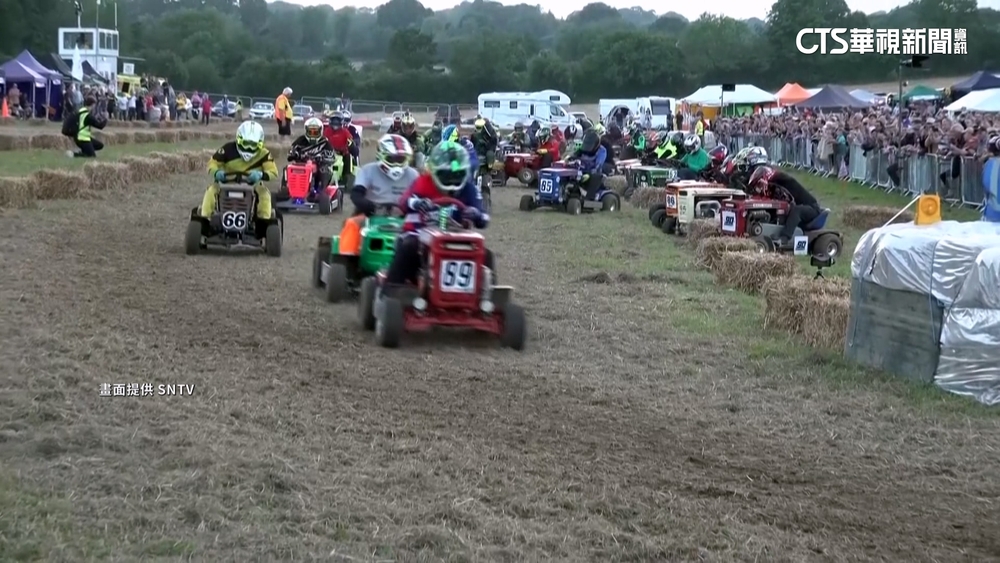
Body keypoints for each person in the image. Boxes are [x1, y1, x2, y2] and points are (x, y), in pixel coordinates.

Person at [384, 140, 491, 287]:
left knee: (486, 254)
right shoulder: (423, 183)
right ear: (435, 172)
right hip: (419, 235)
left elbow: (484, 218)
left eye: (457, 174)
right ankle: (392, 289)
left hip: (456, 237)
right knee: (408, 247)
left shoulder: (469, 189)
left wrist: (476, 213)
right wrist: (417, 203)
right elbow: (403, 202)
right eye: (446, 175)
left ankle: (485, 291)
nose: (452, 180)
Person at [337, 134, 421, 255]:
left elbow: (420, 197)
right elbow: (356, 195)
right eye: (391, 159)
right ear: (381, 156)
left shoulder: (413, 174)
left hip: (404, 216)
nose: (396, 164)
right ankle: (346, 257)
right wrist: (372, 207)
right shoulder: (367, 170)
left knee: (425, 232)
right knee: (352, 224)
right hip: (370, 214)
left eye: (400, 160)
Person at [201, 121, 278, 222]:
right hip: (226, 182)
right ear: (239, 139)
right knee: (211, 191)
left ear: (260, 143)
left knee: (265, 194)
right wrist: (216, 172)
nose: (249, 148)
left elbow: (273, 172)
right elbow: (212, 163)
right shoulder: (227, 149)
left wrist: (260, 175)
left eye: (253, 145)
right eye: (246, 144)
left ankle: (263, 222)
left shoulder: (264, 154)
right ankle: (206, 219)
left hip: (253, 185)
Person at [748, 165, 822, 248]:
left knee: (796, 210)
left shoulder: (783, 180)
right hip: (804, 206)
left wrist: (766, 180)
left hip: (813, 208)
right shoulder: (776, 184)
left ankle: (784, 238)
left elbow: (782, 180)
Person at [287, 117, 336, 195]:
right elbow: (291, 151)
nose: (313, 134)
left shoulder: (325, 142)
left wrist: (323, 159)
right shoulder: (301, 140)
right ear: (306, 130)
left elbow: (332, 157)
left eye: (315, 132)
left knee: (324, 170)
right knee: (287, 169)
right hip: (301, 165)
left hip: (318, 166)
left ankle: (320, 191)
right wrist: (294, 154)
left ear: (320, 131)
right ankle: (287, 188)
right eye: (310, 131)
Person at [566, 129, 607, 201]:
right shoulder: (582, 148)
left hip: (592, 172)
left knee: (595, 176)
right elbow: (573, 156)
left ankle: (589, 198)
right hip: (580, 170)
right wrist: (569, 159)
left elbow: (598, 165)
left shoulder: (602, 151)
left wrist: (590, 172)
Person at [323, 112, 357, 187]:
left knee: (348, 157)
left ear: (341, 122)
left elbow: (350, 140)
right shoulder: (327, 131)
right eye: (334, 120)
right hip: (329, 153)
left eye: (337, 121)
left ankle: (346, 176)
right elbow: (323, 140)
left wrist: (350, 144)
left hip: (342, 153)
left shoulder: (345, 131)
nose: (335, 123)